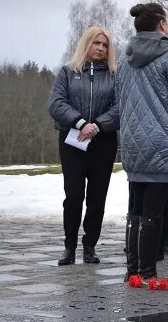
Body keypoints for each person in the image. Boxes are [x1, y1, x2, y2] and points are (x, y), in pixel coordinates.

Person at [115, 3, 168, 281]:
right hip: (162, 138)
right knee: (154, 207)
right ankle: (147, 272)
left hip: (132, 140)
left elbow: (119, 98)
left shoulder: (124, 57)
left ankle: (132, 269)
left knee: (135, 203)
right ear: (162, 24)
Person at [49, 27, 119, 265]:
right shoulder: (67, 72)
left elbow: (120, 107)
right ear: (85, 44)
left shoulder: (114, 75)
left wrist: (98, 125)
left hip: (104, 141)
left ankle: (90, 245)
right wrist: (80, 123)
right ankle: (69, 246)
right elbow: (57, 103)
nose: (100, 48)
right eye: (96, 43)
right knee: (74, 194)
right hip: (73, 140)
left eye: (105, 45)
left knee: (97, 196)